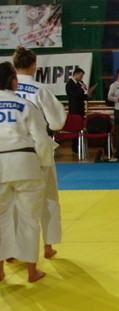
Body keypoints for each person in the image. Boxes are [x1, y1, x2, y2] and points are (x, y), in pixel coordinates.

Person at [0, 61, 53, 283]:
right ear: (14, 81)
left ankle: (0, 271)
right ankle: (32, 271)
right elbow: (41, 140)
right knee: (29, 218)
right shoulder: (24, 105)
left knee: (1, 218)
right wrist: (43, 164)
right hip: (24, 162)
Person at [13, 45, 65, 260]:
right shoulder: (40, 90)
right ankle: (48, 245)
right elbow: (57, 122)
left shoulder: (5, 90)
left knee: (13, 200)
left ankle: (11, 249)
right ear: (34, 65)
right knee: (47, 198)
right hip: (37, 149)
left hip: (9, 151)